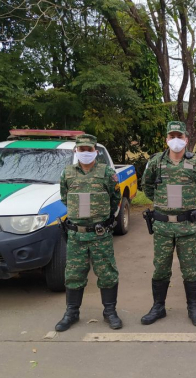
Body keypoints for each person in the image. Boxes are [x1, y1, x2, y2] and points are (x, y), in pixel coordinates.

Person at [141, 121, 196, 327]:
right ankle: (158, 307)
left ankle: (193, 308)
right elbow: (147, 187)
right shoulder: (155, 162)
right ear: (167, 139)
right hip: (162, 227)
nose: (176, 140)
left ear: (187, 140)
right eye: (172, 136)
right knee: (161, 268)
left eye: (180, 136)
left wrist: (186, 205)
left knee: (190, 270)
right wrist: (163, 204)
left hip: (187, 226)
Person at [55, 134, 123, 332]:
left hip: (100, 234)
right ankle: (71, 313)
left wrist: (101, 217)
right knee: (74, 274)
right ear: (76, 151)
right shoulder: (67, 173)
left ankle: (110, 312)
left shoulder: (106, 172)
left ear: (95, 151)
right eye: (82, 149)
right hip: (76, 235)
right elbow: (65, 198)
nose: (85, 153)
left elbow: (115, 198)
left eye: (89, 150)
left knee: (107, 273)